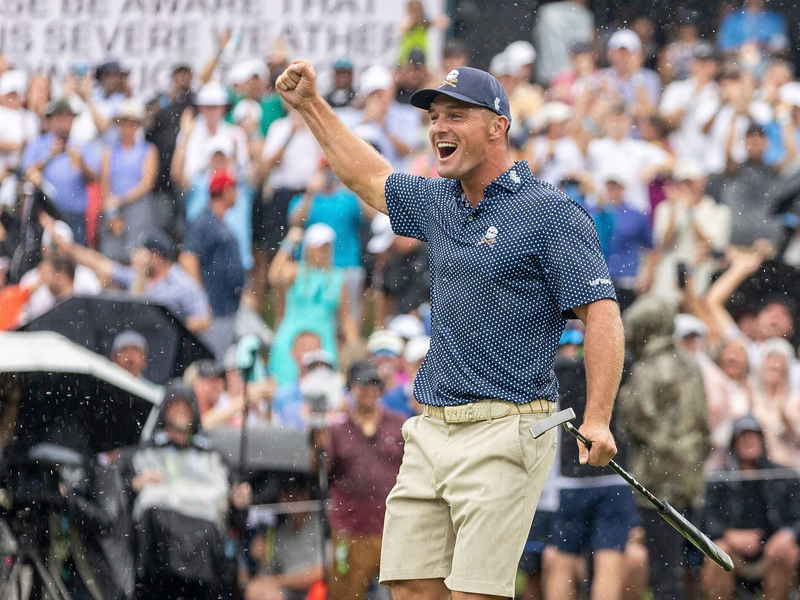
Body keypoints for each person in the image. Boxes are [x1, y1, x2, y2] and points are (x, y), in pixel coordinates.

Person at [275, 59, 623, 600]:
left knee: (472, 595)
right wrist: (311, 106)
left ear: (497, 126)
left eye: (456, 115)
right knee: (412, 588)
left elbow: (601, 314)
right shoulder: (441, 203)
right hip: (431, 428)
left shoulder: (550, 214)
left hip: (509, 427)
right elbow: (367, 176)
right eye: (435, 116)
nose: (439, 126)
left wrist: (598, 419)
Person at [116, 382, 252, 600]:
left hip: (205, 550)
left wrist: (239, 503)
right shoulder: (143, 453)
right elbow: (116, 492)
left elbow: (237, 516)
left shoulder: (214, 458)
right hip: (156, 554)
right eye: (175, 404)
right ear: (164, 409)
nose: (181, 409)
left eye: (186, 405)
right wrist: (135, 484)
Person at [619, 296, 710, 600]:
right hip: (691, 481)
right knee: (686, 567)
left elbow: (635, 423)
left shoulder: (648, 368)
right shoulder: (690, 363)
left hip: (658, 485)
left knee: (664, 570)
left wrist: (623, 402)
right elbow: (703, 425)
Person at [312, 360, 405, 600]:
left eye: (374, 384)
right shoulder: (336, 430)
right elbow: (319, 470)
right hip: (350, 529)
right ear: (351, 388)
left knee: (403, 594)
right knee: (345, 594)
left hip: (394, 530)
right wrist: (317, 445)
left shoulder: (400, 425)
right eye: (362, 385)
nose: (368, 390)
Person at [702, 415, 800, 600]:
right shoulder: (719, 481)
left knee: (788, 551)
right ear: (734, 443)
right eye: (743, 437)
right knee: (717, 552)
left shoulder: (782, 476)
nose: (749, 441)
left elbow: (797, 515)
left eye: (754, 436)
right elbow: (706, 520)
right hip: (732, 555)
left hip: (772, 554)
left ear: (762, 441)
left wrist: (788, 533)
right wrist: (731, 536)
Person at [61, 229, 211, 334]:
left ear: (156, 256)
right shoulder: (137, 274)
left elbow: (203, 320)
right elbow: (99, 263)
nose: (136, 255)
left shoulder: (183, 284)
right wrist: (67, 247)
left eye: (142, 252)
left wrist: (169, 323)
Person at [268, 224, 359, 388]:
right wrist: (288, 243)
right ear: (309, 248)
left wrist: (354, 346)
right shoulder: (296, 270)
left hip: (323, 339)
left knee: (323, 387)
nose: (323, 252)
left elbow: (345, 317)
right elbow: (274, 276)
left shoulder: (338, 278)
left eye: (327, 248)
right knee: (285, 386)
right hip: (291, 338)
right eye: (319, 247)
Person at [181, 169, 245, 358]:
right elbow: (187, 258)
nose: (237, 194)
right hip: (215, 310)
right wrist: (201, 299)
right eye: (234, 188)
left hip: (226, 308)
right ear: (225, 190)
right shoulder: (205, 221)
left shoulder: (218, 221)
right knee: (212, 361)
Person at [21, 99, 100, 244]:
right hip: (46, 215)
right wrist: (48, 157)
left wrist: (81, 162)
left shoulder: (82, 144)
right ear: (51, 120)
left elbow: (94, 177)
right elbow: (26, 173)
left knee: (74, 259)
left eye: (67, 119)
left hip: (75, 215)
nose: (64, 123)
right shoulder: (38, 144)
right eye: (60, 118)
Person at [244, 475, 324, 600]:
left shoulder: (322, 526)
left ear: (307, 495)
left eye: (296, 494)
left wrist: (278, 581)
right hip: (286, 591)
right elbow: (268, 571)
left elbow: (320, 572)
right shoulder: (281, 532)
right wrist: (262, 557)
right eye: (286, 495)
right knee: (255, 589)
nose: (290, 501)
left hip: (316, 590)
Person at [99, 99, 159, 263]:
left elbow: (146, 184)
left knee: (136, 258)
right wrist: (112, 212)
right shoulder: (109, 152)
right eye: (125, 123)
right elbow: (105, 185)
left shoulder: (148, 150)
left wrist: (120, 200)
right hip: (114, 211)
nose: (128, 128)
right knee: (111, 259)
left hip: (138, 211)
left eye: (133, 124)